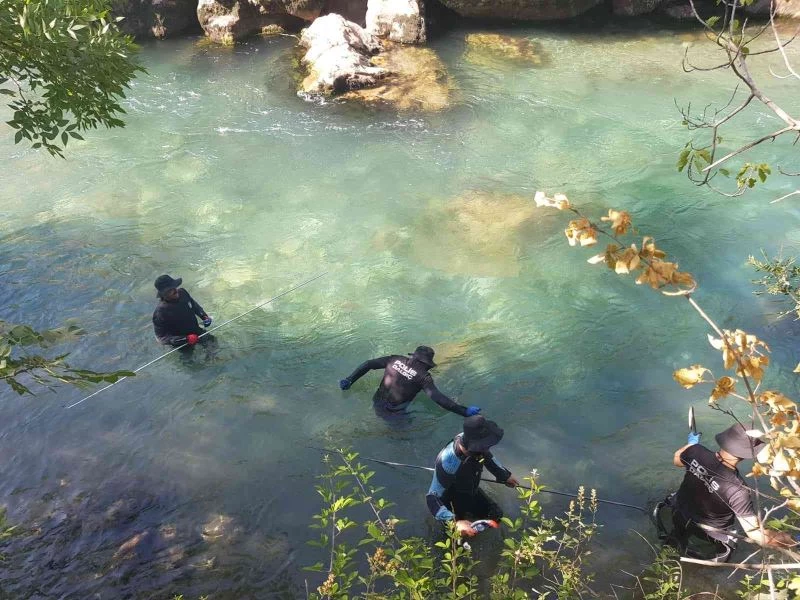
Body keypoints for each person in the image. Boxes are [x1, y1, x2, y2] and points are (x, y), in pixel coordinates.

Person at [654, 422, 795, 562]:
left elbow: (677, 460)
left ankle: (668, 554)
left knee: (675, 539)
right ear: (747, 454)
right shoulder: (738, 490)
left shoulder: (697, 452)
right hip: (709, 533)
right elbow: (756, 535)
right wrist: (791, 540)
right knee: (731, 543)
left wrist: (691, 444)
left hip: (679, 512)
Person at [426, 415, 520, 537]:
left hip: (470, 491)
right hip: (451, 502)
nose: (489, 447)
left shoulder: (474, 443)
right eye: (486, 444)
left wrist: (504, 475)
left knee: (496, 516)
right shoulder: (448, 461)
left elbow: (487, 457)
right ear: (476, 445)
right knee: (458, 540)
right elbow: (432, 497)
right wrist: (454, 522)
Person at [338, 345, 480, 418]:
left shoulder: (395, 359)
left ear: (414, 357)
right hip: (394, 413)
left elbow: (369, 364)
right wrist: (464, 411)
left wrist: (350, 379)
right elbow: (438, 398)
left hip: (376, 401)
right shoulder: (424, 377)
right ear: (427, 364)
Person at [152, 274, 213, 347]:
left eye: (174, 287)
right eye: (170, 290)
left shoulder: (183, 293)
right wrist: (185, 339)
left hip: (196, 330)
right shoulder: (160, 312)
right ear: (163, 294)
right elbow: (161, 338)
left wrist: (204, 316)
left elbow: (194, 305)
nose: (175, 290)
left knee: (212, 343)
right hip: (181, 341)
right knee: (189, 357)